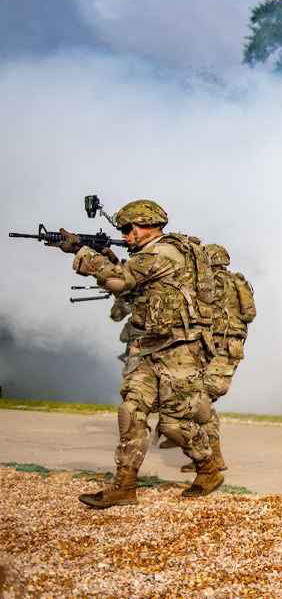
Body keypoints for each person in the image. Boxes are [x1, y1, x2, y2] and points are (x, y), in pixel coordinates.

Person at [50, 200, 223, 507]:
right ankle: (124, 485)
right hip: (146, 346)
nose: (127, 236)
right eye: (123, 231)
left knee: (174, 424)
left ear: (147, 225)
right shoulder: (150, 255)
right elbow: (130, 287)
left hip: (178, 349)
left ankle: (208, 469)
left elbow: (120, 279)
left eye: (129, 230)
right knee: (131, 410)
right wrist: (105, 255)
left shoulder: (163, 252)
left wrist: (81, 252)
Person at [174, 244, 256, 474]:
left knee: (201, 399)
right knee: (200, 400)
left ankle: (211, 457)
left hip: (217, 347)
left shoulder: (211, 283)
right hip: (227, 347)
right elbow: (250, 314)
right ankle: (208, 456)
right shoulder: (239, 282)